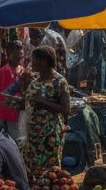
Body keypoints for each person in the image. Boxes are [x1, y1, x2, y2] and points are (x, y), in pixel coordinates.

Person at [17, 46, 70, 181]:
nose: (32, 63)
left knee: (51, 171)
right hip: (34, 134)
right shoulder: (34, 81)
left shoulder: (59, 82)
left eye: (34, 60)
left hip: (50, 134)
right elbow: (28, 103)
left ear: (45, 61)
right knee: (31, 166)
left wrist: (43, 103)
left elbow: (65, 109)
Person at [0, 40, 24, 137]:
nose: (19, 59)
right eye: (17, 56)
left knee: (15, 138)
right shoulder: (4, 71)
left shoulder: (22, 71)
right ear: (9, 55)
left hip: (15, 113)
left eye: (21, 56)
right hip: (3, 111)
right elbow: (2, 93)